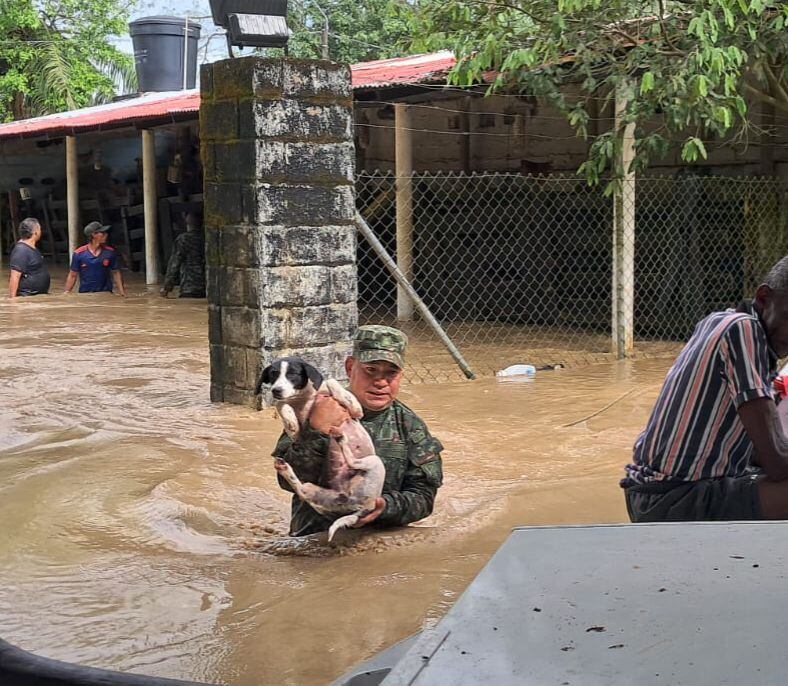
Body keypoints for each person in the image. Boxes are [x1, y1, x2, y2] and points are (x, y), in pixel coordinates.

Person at [621, 255, 788, 522]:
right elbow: (777, 462)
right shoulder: (743, 331)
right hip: (673, 497)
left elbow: (757, 450)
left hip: (651, 492)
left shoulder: (718, 320)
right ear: (764, 297)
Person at [273, 325, 444, 537]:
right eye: (371, 370)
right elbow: (286, 480)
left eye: (391, 373)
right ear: (350, 367)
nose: (381, 382)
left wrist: (384, 507)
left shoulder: (410, 426)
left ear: (401, 376)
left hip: (379, 543)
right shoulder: (314, 409)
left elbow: (424, 497)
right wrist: (317, 431)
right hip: (314, 541)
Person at [64, 221, 126, 296]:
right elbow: (72, 275)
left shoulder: (110, 252)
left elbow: (116, 273)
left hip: (105, 293)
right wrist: (66, 293)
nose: (106, 235)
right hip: (85, 295)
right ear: (93, 235)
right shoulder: (79, 254)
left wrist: (122, 293)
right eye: (102, 233)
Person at [160, 210, 205, 299]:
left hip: (189, 287)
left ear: (186, 222)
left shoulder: (183, 240)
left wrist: (167, 287)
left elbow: (174, 265)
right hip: (206, 288)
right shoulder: (206, 238)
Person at [8, 217, 50, 298]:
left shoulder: (31, 247)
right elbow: (15, 276)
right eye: (39, 229)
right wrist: (12, 300)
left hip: (36, 297)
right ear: (36, 232)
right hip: (27, 296)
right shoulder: (21, 250)